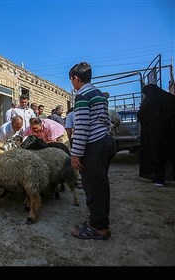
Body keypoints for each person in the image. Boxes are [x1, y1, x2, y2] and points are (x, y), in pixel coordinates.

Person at [68, 62, 116, 241]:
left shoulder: (82, 95)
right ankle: (99, 221)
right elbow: (105, 121)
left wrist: (75, 153)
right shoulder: (99, 93)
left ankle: (98, 227)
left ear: (76, 78)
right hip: (106, 141)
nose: (72, 84)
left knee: (93, 186)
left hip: (94, 144)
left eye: (72, 80)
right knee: (101, 185)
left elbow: (81, 127)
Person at [137, 84, 175, 187]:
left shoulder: (149, 100)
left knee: (158, 156)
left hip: (155, 135)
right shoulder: (170, 98)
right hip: (171, 134)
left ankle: (159, 179)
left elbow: (140, 115)